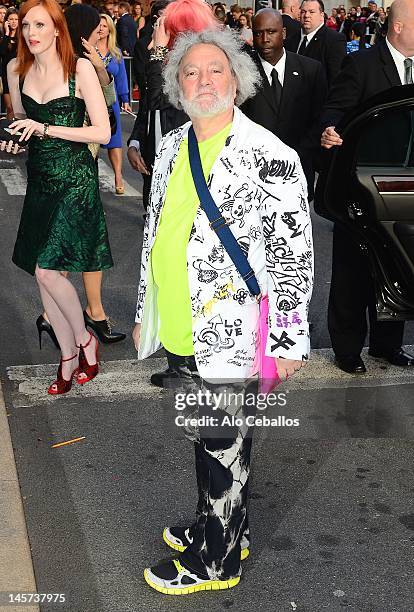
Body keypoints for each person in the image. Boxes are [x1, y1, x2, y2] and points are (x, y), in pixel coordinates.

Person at [132, 27, 313, 595]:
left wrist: (286, 341)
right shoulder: (170, 146)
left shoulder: (271, 157)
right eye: (191, 72)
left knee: (223, 443)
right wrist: (146, 308)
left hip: (232, 329)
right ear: (177, 86)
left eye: (216, 70)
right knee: (212, 437)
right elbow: (156, 233)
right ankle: (223, 524)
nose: (204, 80)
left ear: (238, 80)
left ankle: (218, 562)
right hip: (183, 325)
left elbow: (294, 256)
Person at [1, 0, 112, 394]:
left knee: (49, 270)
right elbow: (20, 124)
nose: (30, 32)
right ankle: (67, 354)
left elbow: (101, 131)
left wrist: (45, 128)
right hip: (41, 179)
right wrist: (17, 140)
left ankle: (83, 342)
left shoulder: (78, 69)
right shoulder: (16, 70)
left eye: (40, 25)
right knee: (40, 270)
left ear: (57, 29)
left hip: (75, 179)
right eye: (26, 25)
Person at [320, 0, 414, 374]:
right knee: (353, 270)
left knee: (397, 262)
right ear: (400, 28)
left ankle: (387, 345)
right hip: (363, 185)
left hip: (405, 186)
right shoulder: (361, 65)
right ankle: (347, 349)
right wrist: (329, 130)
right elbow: (335, 110)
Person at [241, 8, 327, 199]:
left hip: (297, 170)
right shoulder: (242, 72)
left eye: (271, 32)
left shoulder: (311, 70)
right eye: (258, 33)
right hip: (254, 174)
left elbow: (319, 118)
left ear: (284, 33)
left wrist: (296, 154)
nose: (264, 39)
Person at [98, 13, 132, 195]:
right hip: (92, 99)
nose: (101, 29)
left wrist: (125, 98)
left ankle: (118, 176)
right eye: (99, 25)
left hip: (111, 101)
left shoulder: (115, 52)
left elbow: (121, 78)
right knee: (92, 141)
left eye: (105, 26)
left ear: (110, 29)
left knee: (115, 141)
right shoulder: (88, 50)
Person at [285, 0, 346, 87]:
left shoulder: (334, 40)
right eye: (303, 12)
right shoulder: (290, 40)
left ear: (321, 15)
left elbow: (336, 80)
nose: (306, 15)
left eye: (311, 12)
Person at [0, 7, 19, 118]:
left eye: (16, 19)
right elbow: (2, 52)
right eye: (11, 19)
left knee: (20, 109)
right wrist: (7, 33)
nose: (13, 22)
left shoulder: (22, 38)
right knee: (10, 108)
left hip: (19, 76)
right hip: (6, 76)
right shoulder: (4, 37)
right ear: (7, 21)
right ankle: (9, 133)